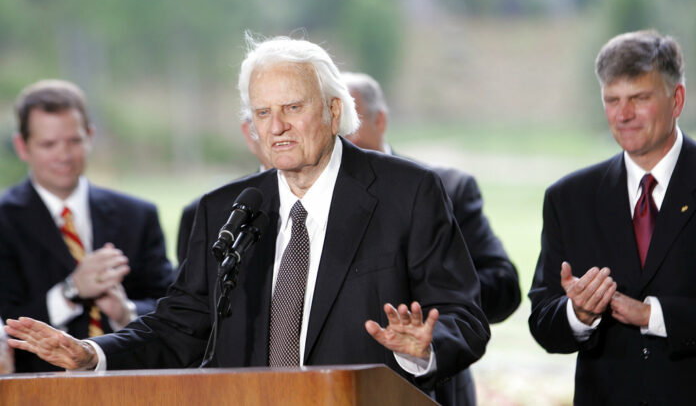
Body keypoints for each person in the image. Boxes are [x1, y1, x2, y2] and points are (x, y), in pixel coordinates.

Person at [5, 35, 489, 394]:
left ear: (333, 110)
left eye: (292, 108)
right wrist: (92, 352)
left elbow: (464, 316)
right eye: (261, 113)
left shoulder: (408, 192)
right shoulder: (227, 209)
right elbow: (180, 326)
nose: (275, 127)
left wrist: (423, 348)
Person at [528, 30, 696, 404]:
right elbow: (542, 321)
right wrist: (577, 313)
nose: (623, 115)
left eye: (639, 98)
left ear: (677, 99)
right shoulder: (568, 198)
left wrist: (654, 315)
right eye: (612, 100)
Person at [342, 71, 520, 405]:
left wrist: (437, 295)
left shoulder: (446, 189)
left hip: (436, 390)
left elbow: (504, 287)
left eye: (352, 119)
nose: (342, 137)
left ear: (380, 120)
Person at [0, 79, 174, 372]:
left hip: (130, 382)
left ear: (90, 136)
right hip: (38, 388)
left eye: (74, 141)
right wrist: (71, 290)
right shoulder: (4, 221)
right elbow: (6, 323)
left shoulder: (138, 215)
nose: (64, 155)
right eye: (48, 144)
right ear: (22, 146)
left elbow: (174, 306)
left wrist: (126, 311)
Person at [176, 118, 272, 266]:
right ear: (248, 132)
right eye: (264, 113)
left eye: (293, 108)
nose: (278, 127)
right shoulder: (202, 212)